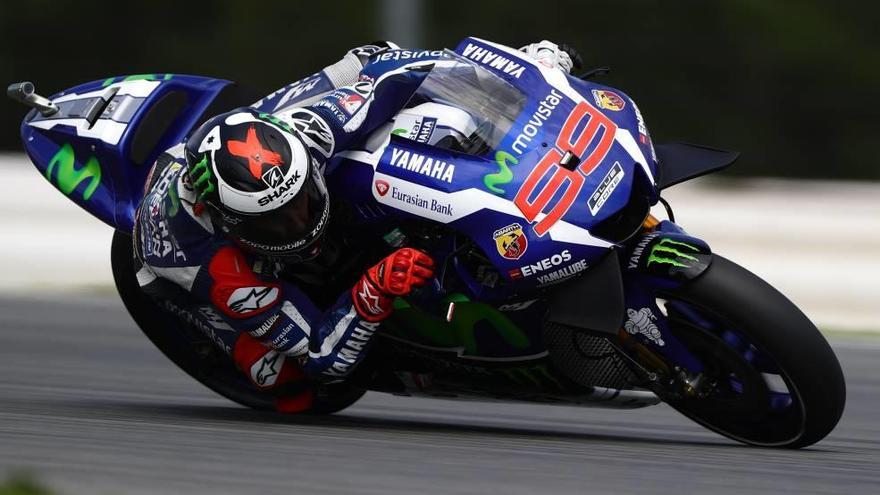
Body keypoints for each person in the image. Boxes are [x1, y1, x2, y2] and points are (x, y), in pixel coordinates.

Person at [133, 40, 577, 413]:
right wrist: (374, 289)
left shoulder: (314, 132)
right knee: (299, 390)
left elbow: (406, 69)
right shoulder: (213, 262)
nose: (298, 223)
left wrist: (525, 70)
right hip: (179, 266)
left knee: (375, 57)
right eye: (276, 223)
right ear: (229, 221)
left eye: (302, 202)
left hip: (280, 123)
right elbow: (323, 358)